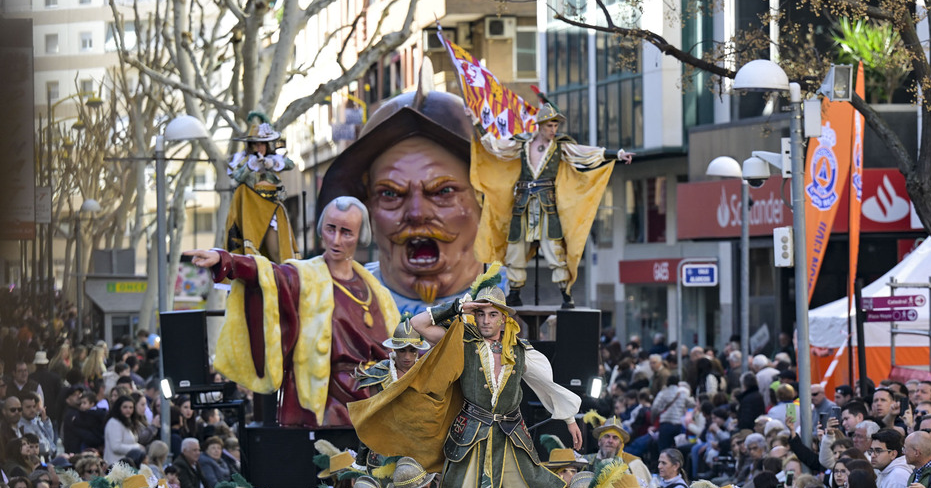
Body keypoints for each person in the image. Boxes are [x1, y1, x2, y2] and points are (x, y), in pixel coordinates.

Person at [351, 266, 582, 488]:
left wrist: (569, 418)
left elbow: (546, 384)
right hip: (471, 434)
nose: (485, 320)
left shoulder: (520, 351)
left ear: (504, 318)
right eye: (481, 313)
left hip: (511, 436)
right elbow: (418, 325)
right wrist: (459, 306)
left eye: (493, 314)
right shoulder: (463, 343)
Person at [189, 195, 401, 427]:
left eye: (346, 232)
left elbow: (396, 349)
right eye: (331, 229)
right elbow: (269, 275)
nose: (336, 239)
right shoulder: (303, 275)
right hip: (324, 405)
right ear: (321, 230)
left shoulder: (376, 290)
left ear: (360, 236)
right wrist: (225, 258)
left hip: (373, 407)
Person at [316, 68, 484, 313]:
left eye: (443, 191)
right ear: (368, 206)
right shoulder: (334, 299)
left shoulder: (511, 297)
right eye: (391, 194)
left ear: (483, 199)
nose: (417, 213)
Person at [474, 101, 631, 308]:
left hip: (547, 204)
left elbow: (584, 152)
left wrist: (616, 154)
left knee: (554, 249)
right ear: (540, 125)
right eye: (550, 125)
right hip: (522, 203)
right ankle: (515, 293)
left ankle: (566, 296)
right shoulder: (522, 143)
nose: (553, 129)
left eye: (556, 126)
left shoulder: (561, 145)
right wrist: (477, 123)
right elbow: (496, 146)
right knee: (516, 248)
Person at [225, 115, 297, 264]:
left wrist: (272, 164)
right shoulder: (244, 161)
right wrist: (250, 166)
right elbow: (237, 176)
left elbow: (290, 164)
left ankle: (281, 281)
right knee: (252, 252)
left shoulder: (276, 159)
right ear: (250, 146)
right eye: (256, 144)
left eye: (263, 144)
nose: (260, 148)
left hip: (270, 208)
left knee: (276, 251)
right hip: (251, 211)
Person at [353, 318, 431, 394]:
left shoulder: (426, 373)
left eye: (412, 350)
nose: (407, 357)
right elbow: (374, 406)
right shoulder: (378, 373)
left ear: (418, 350)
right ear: (395, 349)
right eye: (402, 350)